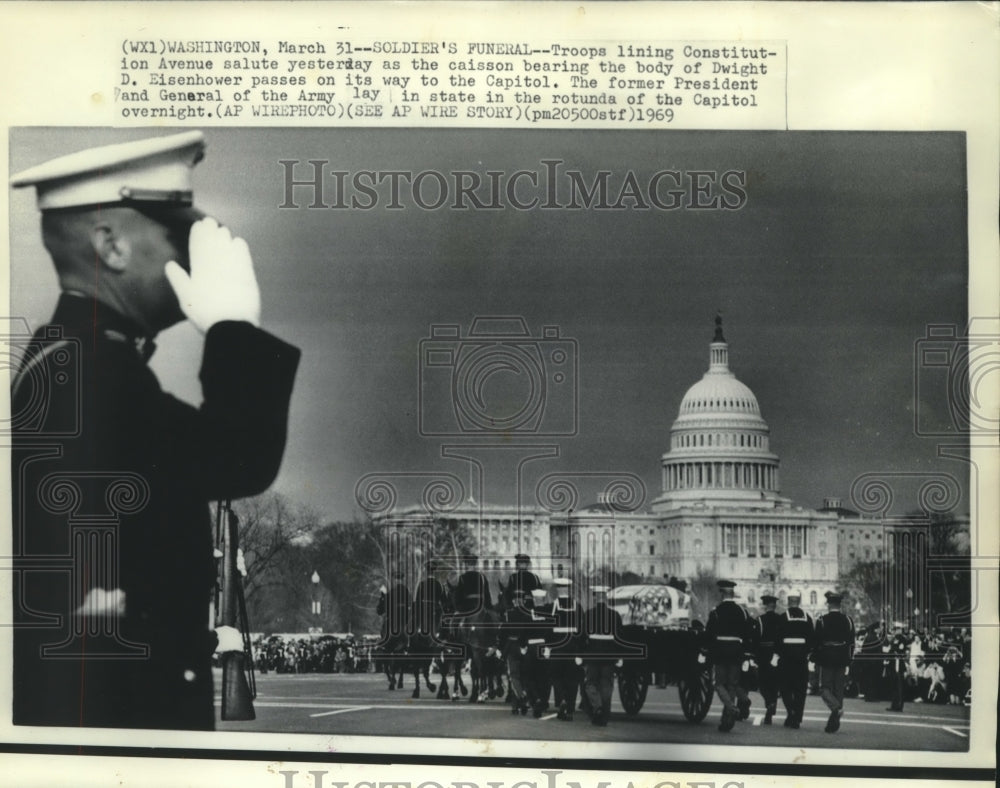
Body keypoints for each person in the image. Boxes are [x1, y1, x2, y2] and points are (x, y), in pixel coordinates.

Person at [9, 131, 300, 730]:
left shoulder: (74, 357)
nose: (194, 253)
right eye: (178, 233)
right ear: (111, 245)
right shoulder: (93, 372)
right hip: (121, 710)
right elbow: (235, 459)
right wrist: (232, 329)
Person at [704, 579, 753, 732]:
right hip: (736, 651)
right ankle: (727, 722)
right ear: (733, 593)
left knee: (718, 684)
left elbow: (709, 635)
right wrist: (745, 654)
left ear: (722, 594)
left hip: (720, 651)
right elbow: (748, 634)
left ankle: (731, 709)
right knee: (732, 685)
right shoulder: (742, 612)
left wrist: (707, 653)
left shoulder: (716, 612)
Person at [583, 585, 624, 726]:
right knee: (606, 685)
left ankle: (597, 707)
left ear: (594, 597)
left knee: (590, 684)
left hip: (593, 654)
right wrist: (619, 656)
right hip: (609, 655)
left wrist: (581, 654)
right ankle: (604, 715)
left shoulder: (588, 614)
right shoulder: (615, 615)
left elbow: (583, 637)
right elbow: (620, 638)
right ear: (606, 598)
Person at [814, 590, 855, 733]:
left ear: (828, 605)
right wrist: (849, 660)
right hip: (842, 657)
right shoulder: (848, 620)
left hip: (827, 657)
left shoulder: (822, 620)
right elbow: (851, 643)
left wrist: (815, 660)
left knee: (824, 688)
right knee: (838, 690)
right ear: (840, 604)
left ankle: (836, 709)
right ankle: (833, 723)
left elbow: (817, 643)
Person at [774, 590, 815, 728]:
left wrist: (778, 653)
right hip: (801, 658)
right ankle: (797, 717)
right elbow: (811, 639)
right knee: (800, 689)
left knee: (785, 687)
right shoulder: (807, 617)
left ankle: (791, 712)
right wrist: (807, 652)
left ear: (788, 601)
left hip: (786, 658)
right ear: (799, 601)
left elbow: (777, 638)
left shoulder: (782, 617)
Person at [547, 577, 585, 721]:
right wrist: (580, 650)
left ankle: (561, 700)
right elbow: (582, 630)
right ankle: (570, 708)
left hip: (557, 648)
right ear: (568, 590)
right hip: (573, 648)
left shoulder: (552, 607)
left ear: (557, 590)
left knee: (557, 677)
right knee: (572, 679)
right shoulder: (578, 606)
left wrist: (548, 646)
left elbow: (548, 629)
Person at [497, 587, 534, 714]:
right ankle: (517, 704)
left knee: (513, 676)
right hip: (525, 647)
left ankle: (521, 699)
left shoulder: (508, 614)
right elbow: (529, 632)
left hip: (512, 647)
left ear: (513, 601)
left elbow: (503, 633)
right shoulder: (528, 614)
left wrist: (500, 649)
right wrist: (525, 646)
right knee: (522, 676)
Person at [522, 587, 555, 717]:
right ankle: (544, 700)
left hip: (531, 649)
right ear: (543, 599)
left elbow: (523, 633)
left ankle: (536, 698)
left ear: (535, 600)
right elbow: (552, 632)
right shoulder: (549, 615)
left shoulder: (528, 614)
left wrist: (523, 646)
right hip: (544, 649)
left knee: (530, 677)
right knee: (545, 678)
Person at [755, 594, 782, 724]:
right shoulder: (780, 619)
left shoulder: (760, 620)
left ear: (765, 605)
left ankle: (769, 703)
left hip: (763, 654)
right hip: (777, 653)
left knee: (763, 683)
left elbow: (756, 639)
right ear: (775, 606)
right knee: (774, 683)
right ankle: (771, 708)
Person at [883, 621, 910, 711]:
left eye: (897, 629)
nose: (895, 631)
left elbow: (899, 650)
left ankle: (899, 705)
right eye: (895, 629)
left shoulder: (902, 639)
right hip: (893, 663)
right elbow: (892, 649)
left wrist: (892, 651)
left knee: (899, 686)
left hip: (898, 664)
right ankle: (894, 704)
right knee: (894, 685)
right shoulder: (895, 639)